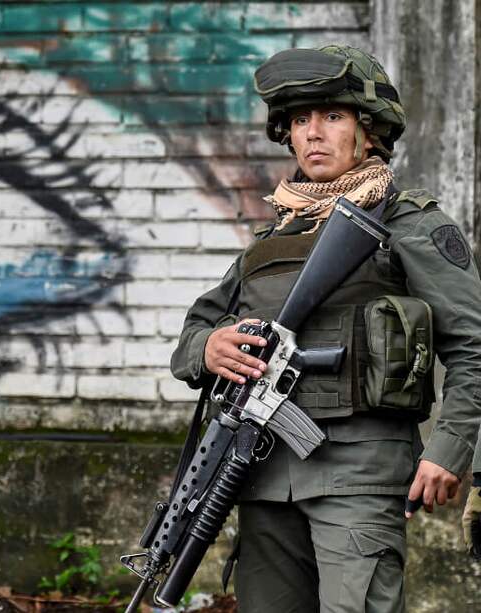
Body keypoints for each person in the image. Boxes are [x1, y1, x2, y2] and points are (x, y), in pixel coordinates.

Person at [169, 45, 481, 612]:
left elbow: (473, 346)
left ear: (369, 132)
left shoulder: (407, 223)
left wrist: (449, 449)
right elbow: (198, 327)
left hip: (359, 477)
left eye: (331, 116)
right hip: (261, 476)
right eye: (299, 120)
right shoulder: (272, 239)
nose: (312, 132)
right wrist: (208, 348)